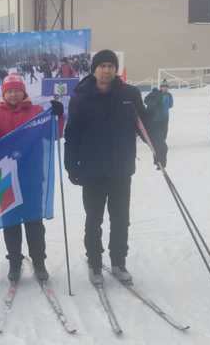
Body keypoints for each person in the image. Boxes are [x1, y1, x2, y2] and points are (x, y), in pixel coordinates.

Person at [64, 50, 167, 286]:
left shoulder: (129, 95)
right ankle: (95, 263)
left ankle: (119, 261)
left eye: (111, 66)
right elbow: (72, 134)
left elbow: (145, 125)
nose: (107, 70)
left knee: (121, 218)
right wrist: (71, 165)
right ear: (94, 69)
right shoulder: (81, 96)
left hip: (121, 168)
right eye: (102, 66)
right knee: (94, 219)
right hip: (92, 170)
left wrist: (158, 148)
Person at [0, 72, 63, 283]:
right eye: (9, 91)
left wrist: (58, 117)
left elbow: (53, 134)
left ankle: (39, 261)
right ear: (4, 94)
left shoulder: (36, 111)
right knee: (11, 223)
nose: (13, 95)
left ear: (23, 91)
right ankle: (14, 261)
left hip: (31, 176)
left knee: (34, 222)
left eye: (17, 90)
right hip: (4, 177)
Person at [144, 83, 173, 168]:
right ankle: (159, 162)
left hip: (164, 119)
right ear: (161, 88)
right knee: (159, 143)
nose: (165, 89)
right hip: (156, 121)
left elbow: (171, 105)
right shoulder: (156, 94)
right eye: (163, 87)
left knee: (162, 139)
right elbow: (147, 102)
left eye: (166, 87)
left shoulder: (169, 95)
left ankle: (159, 161)